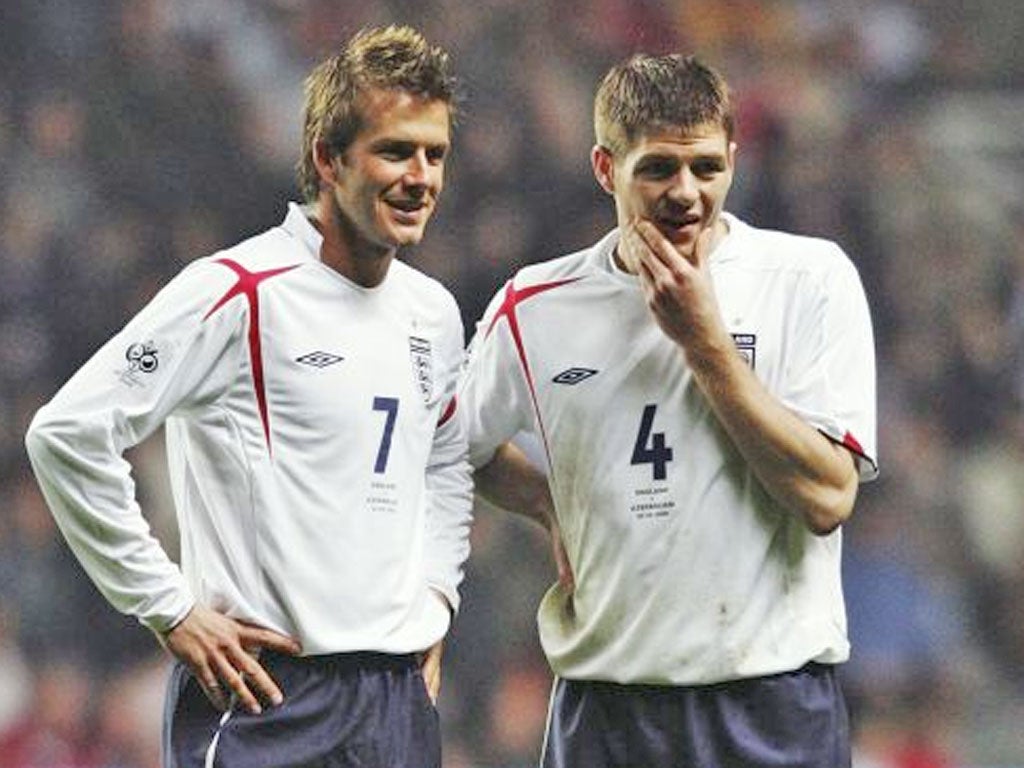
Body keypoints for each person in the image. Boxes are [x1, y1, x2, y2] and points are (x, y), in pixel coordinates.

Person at [25, 25, 472, 768]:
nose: (420, 176)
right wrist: (166, 606)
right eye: (395, 151)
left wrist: (436, 595)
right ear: (329, 159)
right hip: (268, 696)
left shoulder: (434, 312)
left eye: (435, 154)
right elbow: (66, 433)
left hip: (394, 700)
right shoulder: (238, 292)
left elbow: (447, 462)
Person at [461, 53, 878, 768]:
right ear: (604, 168)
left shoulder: (808, 280)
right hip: (608, 710)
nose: (686, 192)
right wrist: (546, 504)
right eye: (657, 168)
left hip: (769, 707)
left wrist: (706, 344)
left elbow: (827, 495)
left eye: (707, 168)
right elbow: (452, 444)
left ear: (734, 161)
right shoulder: (534, 307)